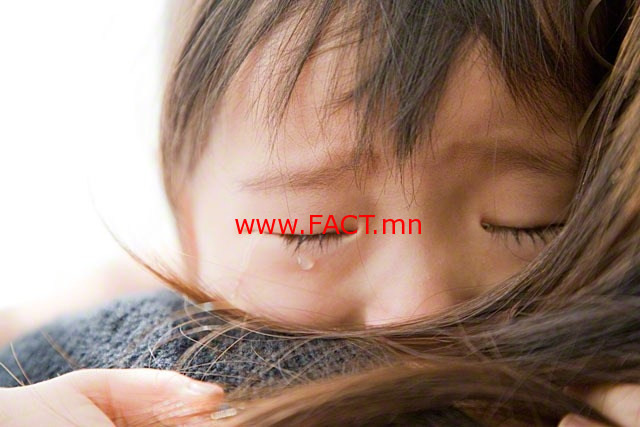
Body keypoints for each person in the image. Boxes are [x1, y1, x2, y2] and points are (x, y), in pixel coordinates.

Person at [1, 0, 639, 425]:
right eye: (314, 228)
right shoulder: (86, 376)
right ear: (188, 229)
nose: (417, 307)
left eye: (528, 221)